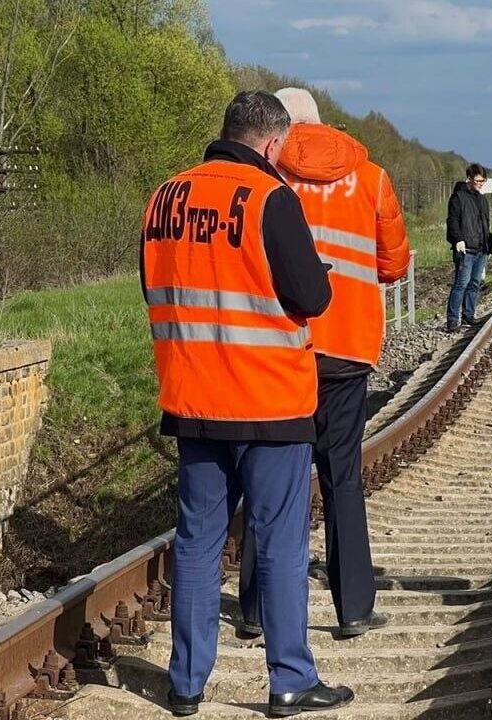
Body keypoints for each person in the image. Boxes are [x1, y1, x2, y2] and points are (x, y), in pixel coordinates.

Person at [140, 91, 354, 718]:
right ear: (272, 142)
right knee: (280, 542)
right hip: (269, 404)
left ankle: (185, 684)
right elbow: (311, 297)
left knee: (198, 541)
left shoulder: (164, 198)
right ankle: (289, 679)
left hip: (194, 402)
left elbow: (156, 284)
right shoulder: (270, 199)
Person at [235, 87, 409, 642]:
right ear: (323, 123)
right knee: (343, 479)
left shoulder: (265, 174)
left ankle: (255, 612)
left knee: (271, 479)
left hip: (284, 346)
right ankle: (353, 606)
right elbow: (395, 262)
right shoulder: (373, 176)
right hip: (350, 348)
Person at [446, 163, 492, 330]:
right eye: (478, 180)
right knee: (461, 283)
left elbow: (485, 224)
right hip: (466, 249)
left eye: (483, 180)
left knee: (474, 283)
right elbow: (452, 221)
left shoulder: (482, 199)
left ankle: (468, 314)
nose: (480, 183)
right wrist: (458, 239)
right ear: (469, 179)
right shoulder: (458, 198)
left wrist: (489, 247)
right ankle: (452, 320)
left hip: (481, 249)